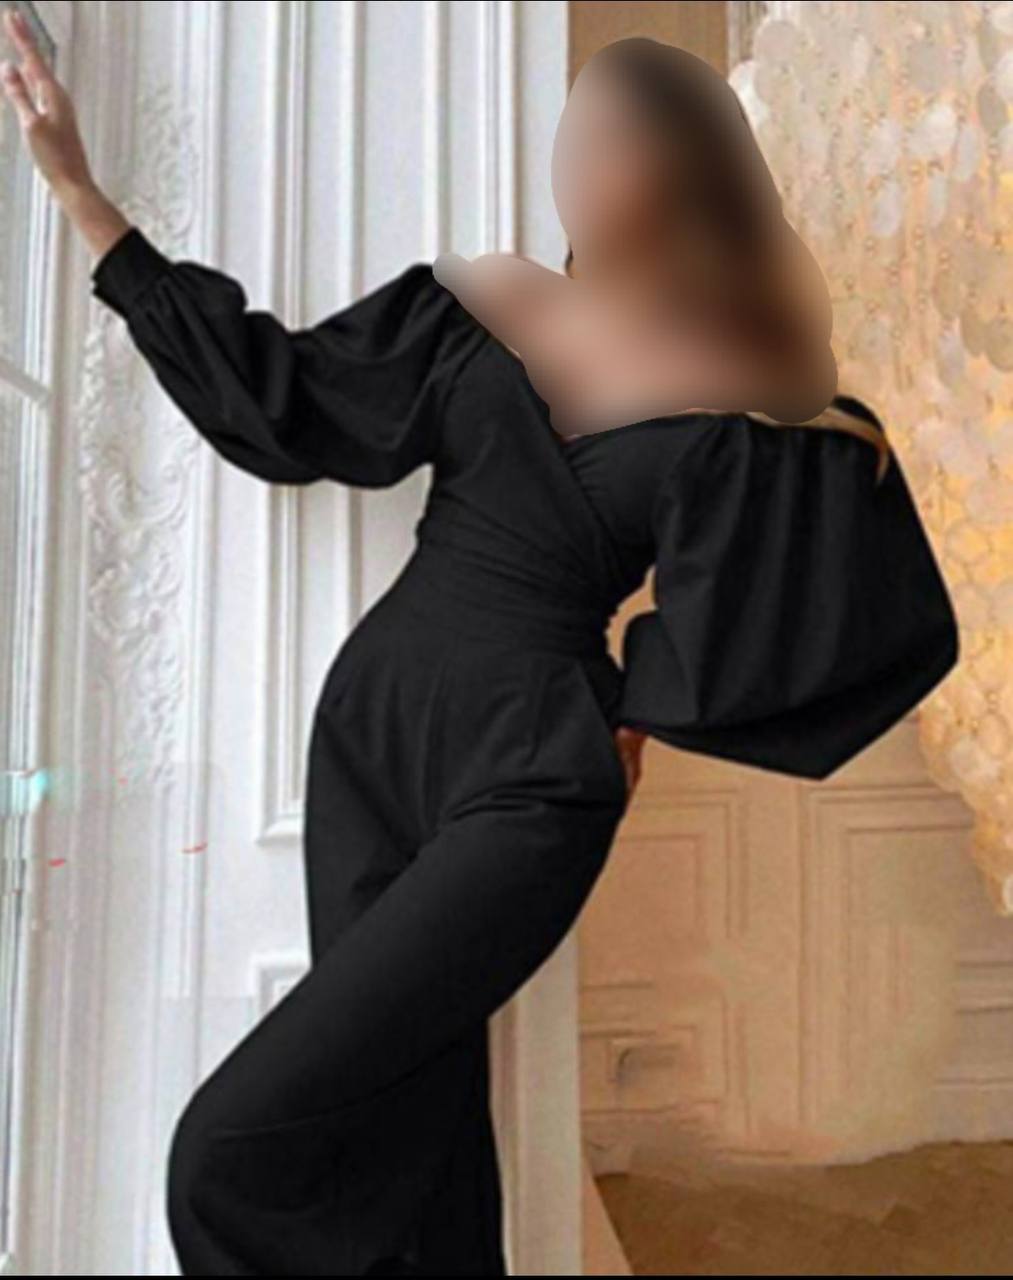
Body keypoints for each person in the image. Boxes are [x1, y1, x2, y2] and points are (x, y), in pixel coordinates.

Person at [2, 14, 959, 1277]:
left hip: (533, 772)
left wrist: (632, 706)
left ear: (687, 169)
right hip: (370, 735)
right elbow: (281, 406)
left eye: (617, 136)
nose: (585, 157)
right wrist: (84, 198)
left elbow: (786, 607)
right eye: (580, 131)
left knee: (225, 1150)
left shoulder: (733, 390)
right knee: (416, 1115)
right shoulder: (483, 305)